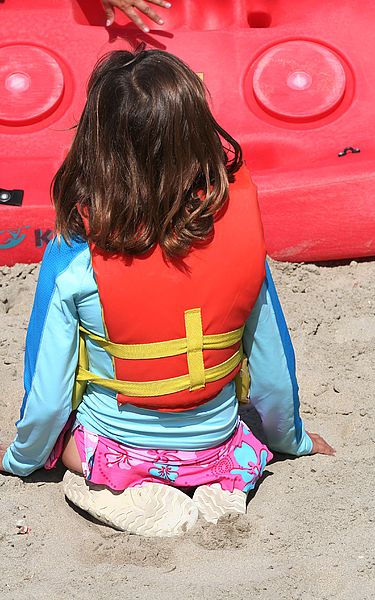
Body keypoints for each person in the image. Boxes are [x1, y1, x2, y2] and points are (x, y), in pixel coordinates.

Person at [0, 47, 335, 537]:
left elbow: (48, 398)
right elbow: (273, 375)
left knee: (58, 442)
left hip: (118, 449)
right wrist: (293, 441)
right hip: (218, 448)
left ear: (97, 145)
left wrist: (21, 460)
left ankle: (120, 489)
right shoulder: (244, 241)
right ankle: (224, 482)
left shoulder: (75, 254)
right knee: (243, 430)